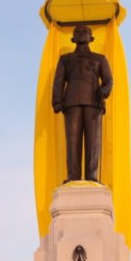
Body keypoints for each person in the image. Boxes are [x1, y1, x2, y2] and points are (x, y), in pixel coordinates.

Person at [51, 25, 113, 183]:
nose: (82, 33)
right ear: (73, 39)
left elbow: (109, 80)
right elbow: (58, 81)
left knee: (93, 141)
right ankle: (73, 176)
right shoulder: (66, 59)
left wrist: (105, 89)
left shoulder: (100, 59)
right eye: (78, 32)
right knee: (72, 141)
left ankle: (92, 176)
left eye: (86, 32)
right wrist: (57, 100)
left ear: (91, 38)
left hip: (94, 103)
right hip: (71, 103)